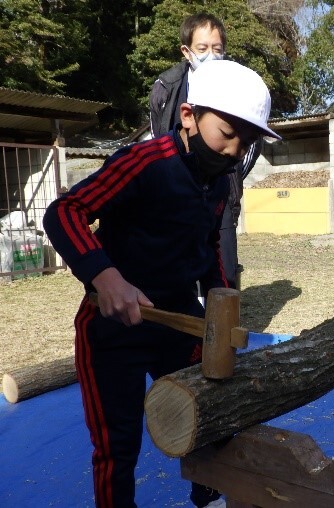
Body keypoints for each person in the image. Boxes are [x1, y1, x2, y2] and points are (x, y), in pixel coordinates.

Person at [43, 60, 280, 508]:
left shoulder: (221, 181)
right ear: (189, 115)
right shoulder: (143, 162)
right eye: (227, 133)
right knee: (117, 446)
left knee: (209, 417)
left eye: (246, 142)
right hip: (112, 329)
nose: (233, 150)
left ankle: (208, 497)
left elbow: (209, 244)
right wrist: (106, 277)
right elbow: (65, 212)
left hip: (180, 324)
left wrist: (220, 298)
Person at [150, 12, 261, 290]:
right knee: (175, 271)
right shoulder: (166, 88)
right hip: (175, 195)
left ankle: (223, 328)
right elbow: (157, 137)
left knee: (222, 274)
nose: (211, 55)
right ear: (187, 51)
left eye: (217, 49)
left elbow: (253, 143)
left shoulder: (240, 85)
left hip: (219, 193)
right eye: (202, 49)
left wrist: (224, 172)